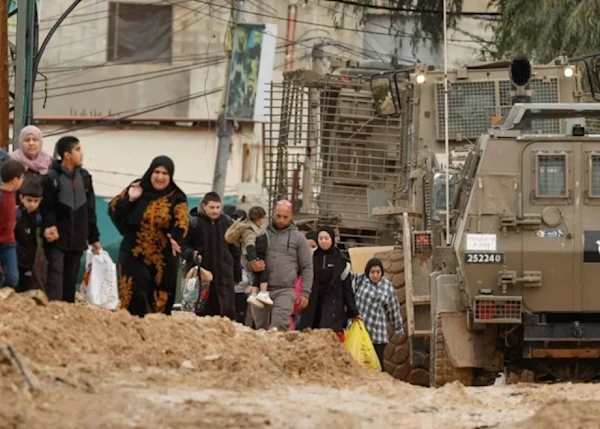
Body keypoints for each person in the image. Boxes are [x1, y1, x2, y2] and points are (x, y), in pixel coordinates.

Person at [108, 155, 189, 317]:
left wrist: (175, 237)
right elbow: (114, 209)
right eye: (156, 172)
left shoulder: (176, 197)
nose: (160, 177)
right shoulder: (138, 188)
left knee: (159, 304)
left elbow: (182, 221)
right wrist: (131, 200)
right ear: (150, 172)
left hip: (162, 259)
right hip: (133, 253)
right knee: (135, 292)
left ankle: (154, 338)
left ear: (170, 176)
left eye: (165, 173)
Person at [41, 136, 101, 302]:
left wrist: (93, 238)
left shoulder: (85, 178)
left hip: (78, 239)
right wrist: (50, 225)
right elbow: (47, 207)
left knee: (70, 279)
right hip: (57, 239)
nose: (82, 154)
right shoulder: (52, 178)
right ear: (67, 155)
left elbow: (90, 210)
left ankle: (66, 317)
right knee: (56, 277)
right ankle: (54, 313)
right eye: (78, 150)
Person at [250, 200, 313, 332]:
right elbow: (246, 255)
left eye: (285, 217)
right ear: (273, 214)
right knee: (261, 329)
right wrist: (251, 265)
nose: (281, 220)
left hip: (285, 290)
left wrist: (305, 293)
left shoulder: (298, 238)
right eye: (278, 216)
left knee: (279, 325)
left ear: (291, 216)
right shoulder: (261, 233)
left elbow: (307, 266)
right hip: (261, 289)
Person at [182, 192, 241, 320]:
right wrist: (192, 254)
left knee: (227, 315)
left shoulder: (227, 222)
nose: (215, 211)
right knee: (203, 315)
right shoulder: (194, 223)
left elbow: (235, 249)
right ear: (204, 206)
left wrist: (237, 275)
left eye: (218, 207)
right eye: (212, 207)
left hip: (224, 277)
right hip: (203, 279)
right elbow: (183, 246)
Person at [297, 226, 359, 339]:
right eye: (320, 238)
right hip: (313, 303)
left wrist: (353, 311)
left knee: (327, 337)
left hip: (332, 304)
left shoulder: (342, 261)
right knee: (307, 336)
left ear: (332, 239)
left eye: (326, 238)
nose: (324, 241)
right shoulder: (310, 257)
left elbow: (347, 289)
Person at [353, 257, 404, 371]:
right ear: (367, 272)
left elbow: (393, 308)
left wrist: (398, 327)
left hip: (378, 333)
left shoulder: (387, 286)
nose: (375, 275)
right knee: (359, 359)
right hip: (360, 330)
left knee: (377, 363)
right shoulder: (359, 280)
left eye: (378, 272)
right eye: (372, 272)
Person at [225, 206, 272, 308]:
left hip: (255, 256)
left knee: (257, 274)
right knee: (264, 271)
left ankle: (254, 294)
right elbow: (250, 245)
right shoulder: (250, 230)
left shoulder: (254, 228)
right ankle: (263, 292)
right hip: (254, 256)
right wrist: (253, 259)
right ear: (260, 219)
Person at [14, 178, 43, 292]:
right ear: (21, 198)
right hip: (15, 256)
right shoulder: (16, 214)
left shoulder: (39, 218)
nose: (32, 204)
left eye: (36, 201)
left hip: (30, 258)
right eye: (29, 200)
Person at [0, 160, 26, 288]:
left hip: (8, 243)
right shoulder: (1, 196)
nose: (23, 181)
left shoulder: (14, 194)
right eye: (22, 178)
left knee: (13, 278)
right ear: (15, 180)